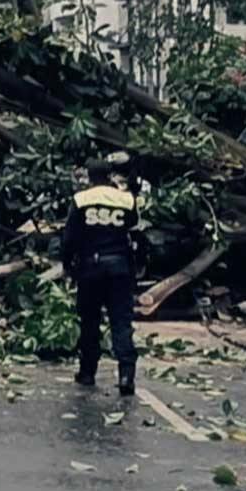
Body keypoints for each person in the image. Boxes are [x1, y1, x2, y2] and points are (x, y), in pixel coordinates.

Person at [62, 158, 140, 396]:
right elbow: (134, 228)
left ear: (89, 175)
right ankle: (126, 374)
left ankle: (87, 372)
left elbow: (69, 238)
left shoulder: (81, 199)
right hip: (119, 267)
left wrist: (68, 266)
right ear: (110, 175)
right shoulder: (127, 199)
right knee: (121, 322)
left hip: (90, 268)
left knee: (90, 321)